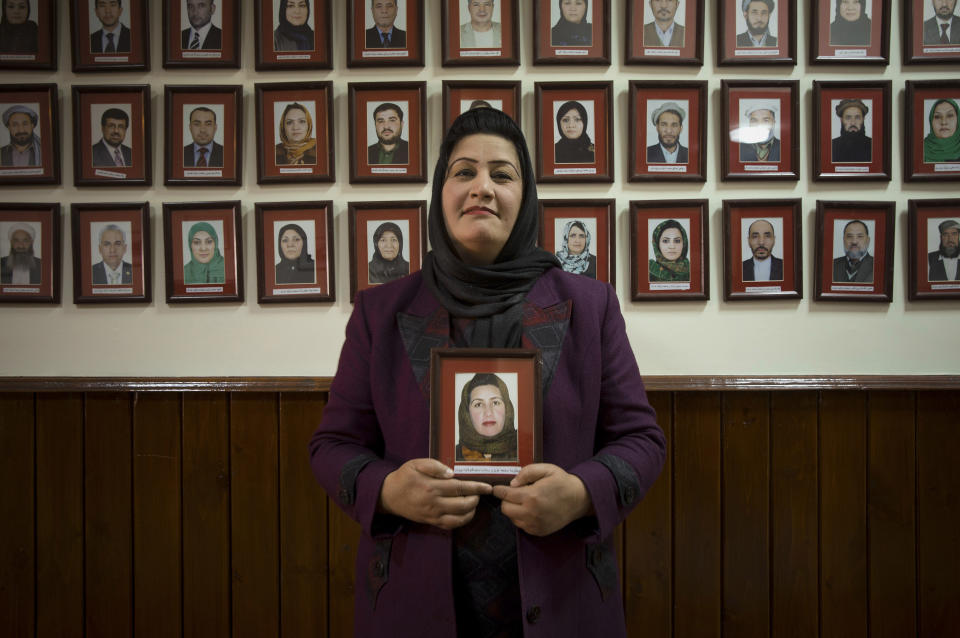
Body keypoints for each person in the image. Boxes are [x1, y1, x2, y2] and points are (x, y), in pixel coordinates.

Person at [309, 106, 664, 637]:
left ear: (525, 199)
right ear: (440, 192)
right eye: (464, 172)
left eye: (502, 174)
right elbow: (332, 445)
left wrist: (582, 493)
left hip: (562, 603)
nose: (482, 188)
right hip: (415, 604)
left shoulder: (591, 307)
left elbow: (642, 440)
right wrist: (388, 491)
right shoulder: (380, 313)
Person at [455, 373, 518, 462]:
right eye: (478, 404)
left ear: (507, 409)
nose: (488, 413)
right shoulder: (454, 455)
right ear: (467, 414)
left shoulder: (525, 449)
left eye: (495, 403)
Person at [831, 98, 872, 163]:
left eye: (857, 117)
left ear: (863, 119)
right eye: (848, 118)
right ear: (841, 120)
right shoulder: (832, 146)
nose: (853, 123)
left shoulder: (873, 145)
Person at [923, 98, 960, 163]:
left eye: (950, 115)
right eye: (937, 117)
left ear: (958, 120)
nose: (943, 122)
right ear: (931, 121)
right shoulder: (921, 149)